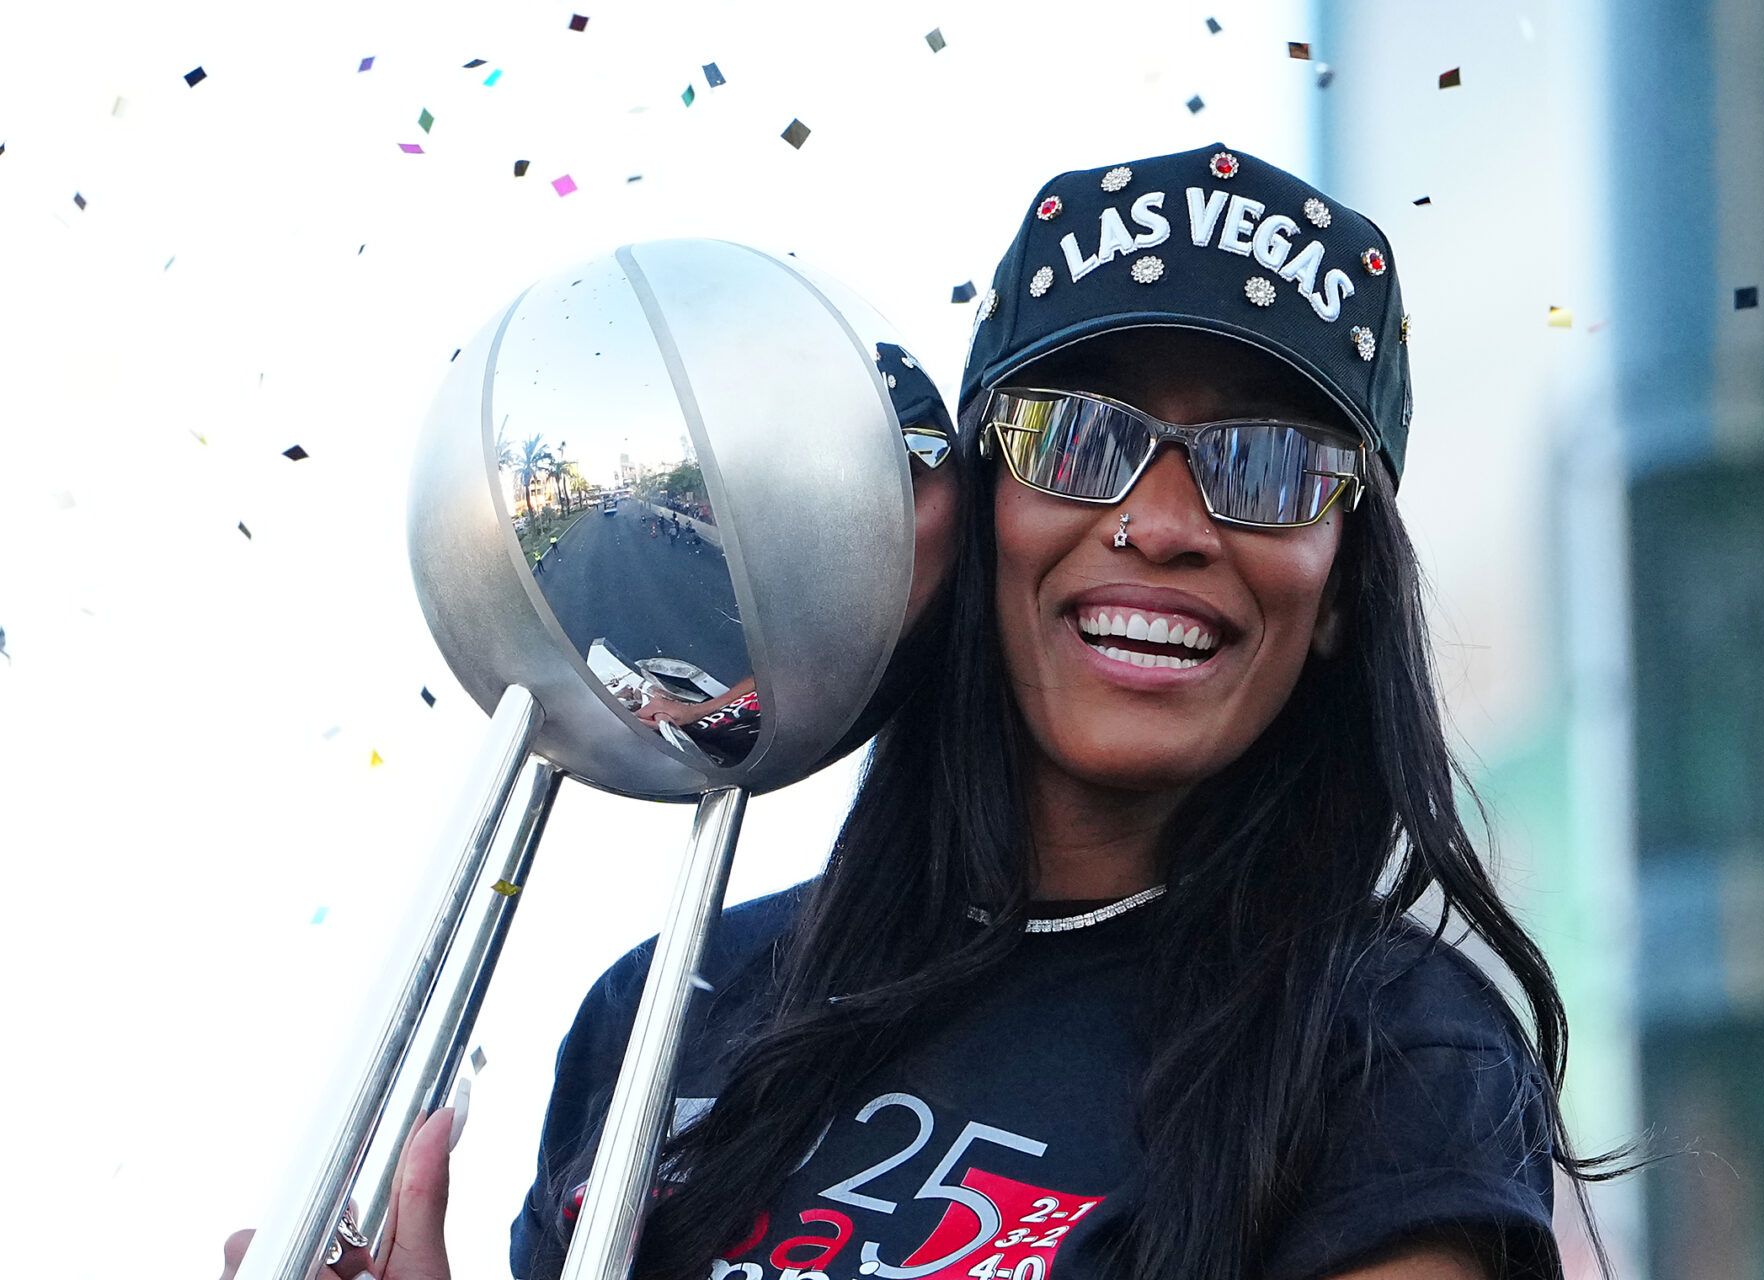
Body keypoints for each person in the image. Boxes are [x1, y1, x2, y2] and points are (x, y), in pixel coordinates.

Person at [224, 145, 1627, 1280]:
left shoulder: (1394, 1059)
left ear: (1338, 593)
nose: (1158, 523)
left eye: (1265, 467)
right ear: (968, 517)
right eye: (1078, 437)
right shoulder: (679, 1013)